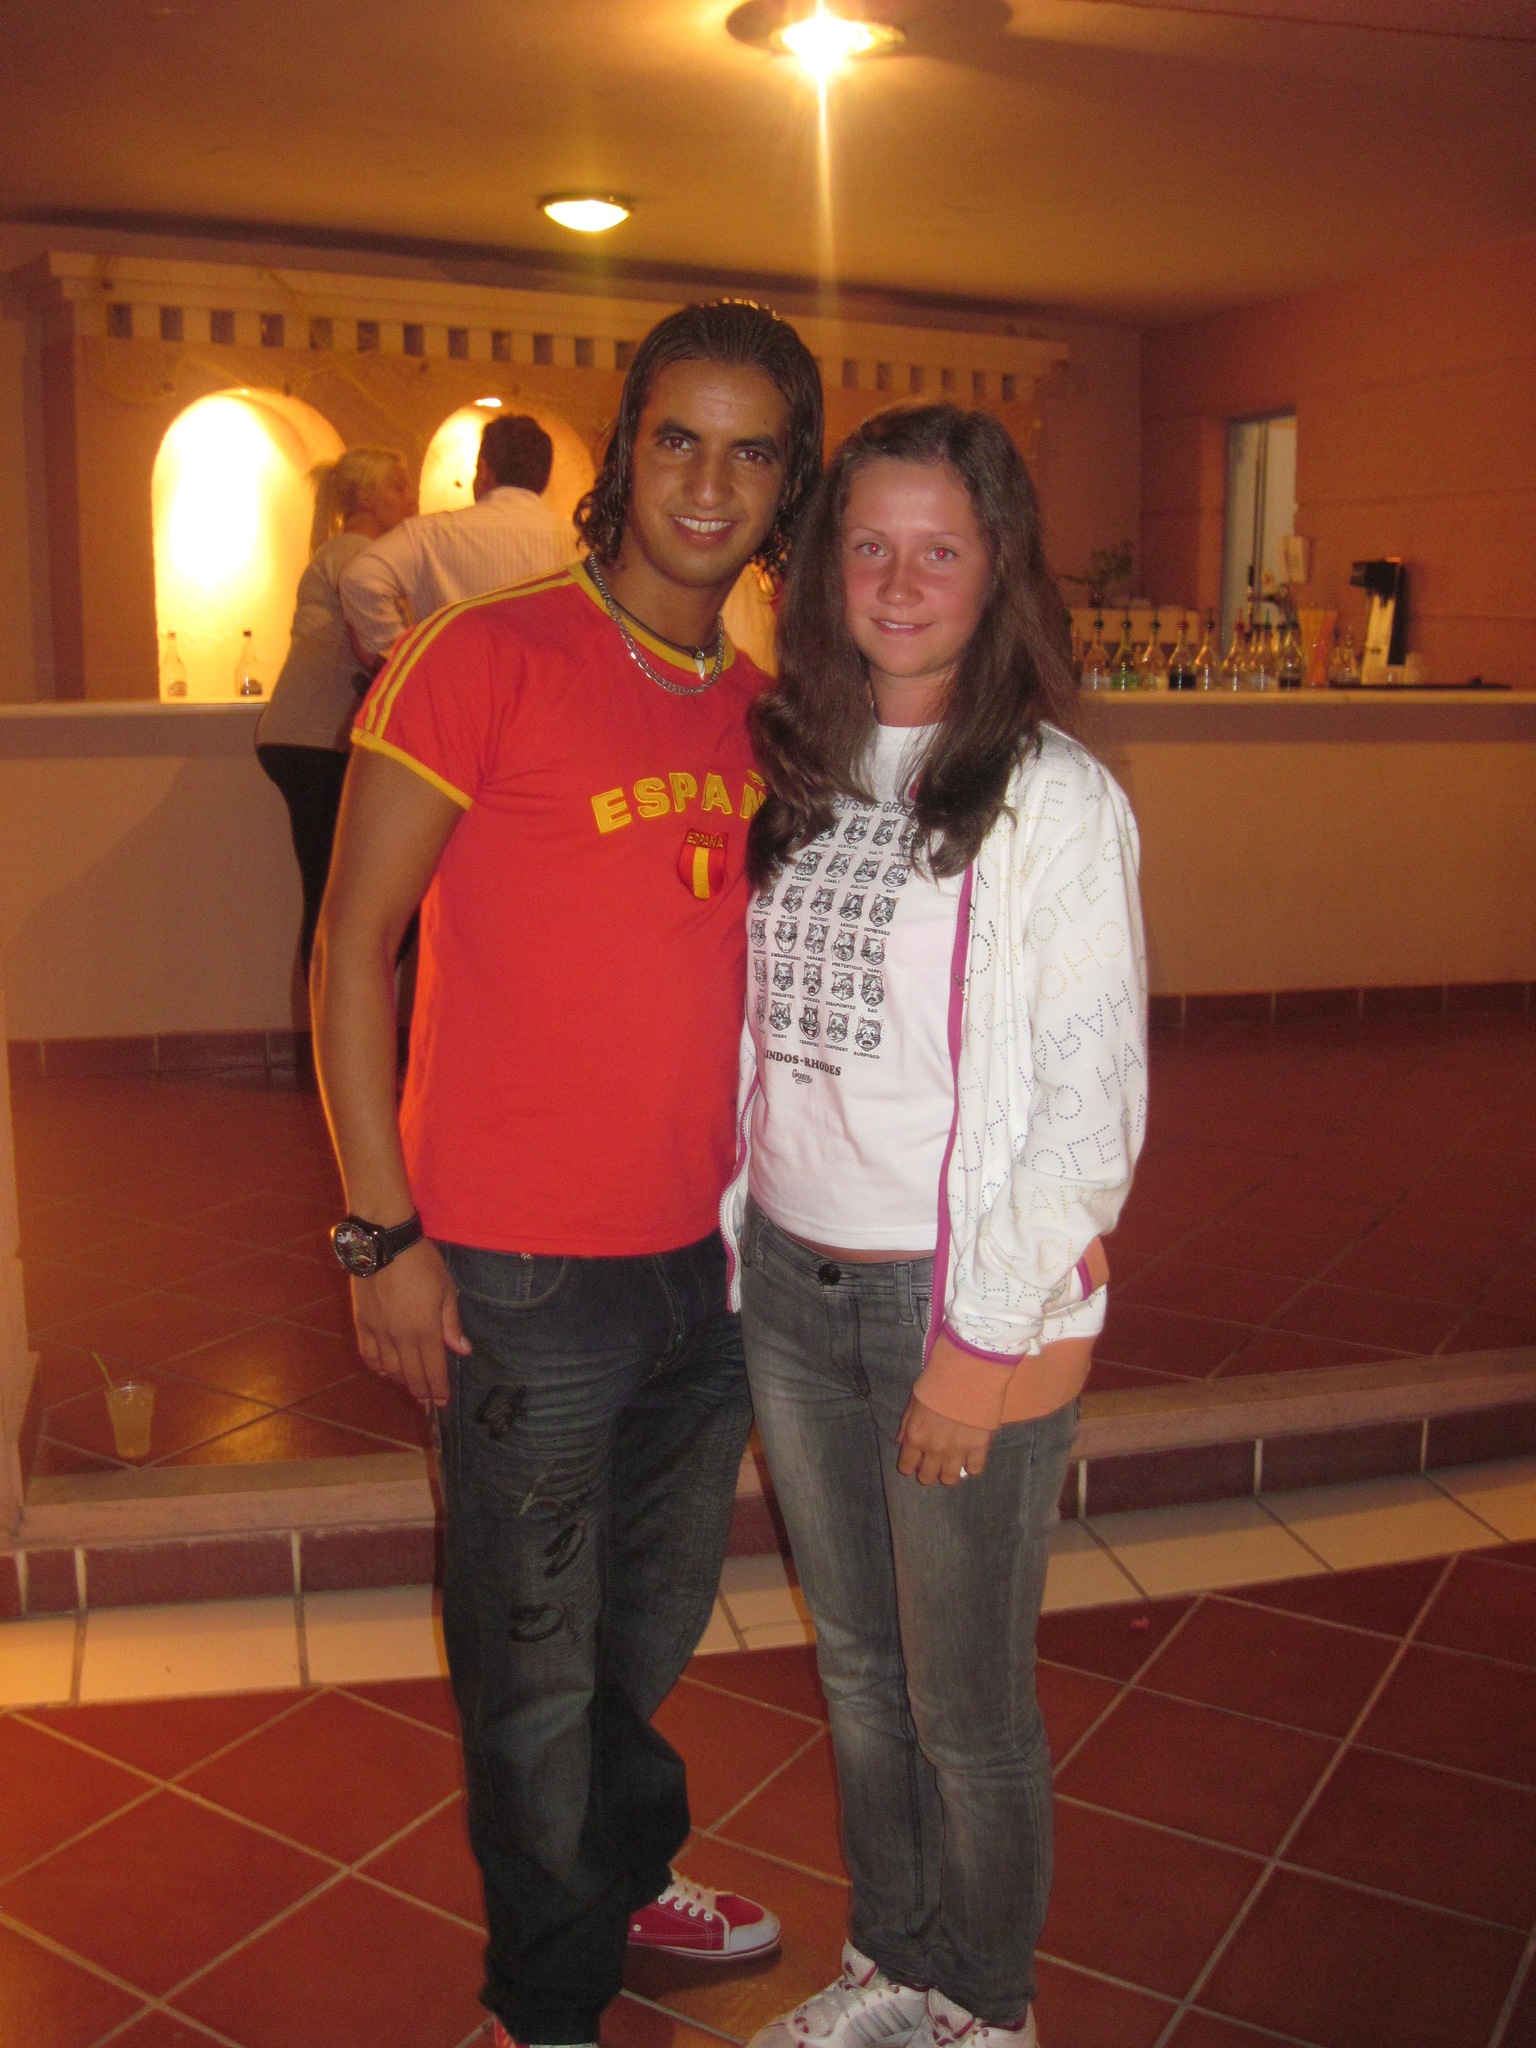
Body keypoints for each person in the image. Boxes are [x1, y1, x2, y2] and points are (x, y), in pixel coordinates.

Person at [309, 301, 825, 2048]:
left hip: (709, 1263)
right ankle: (548, 2002)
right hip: (519, 1273)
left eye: (751, 451)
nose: (709, 482)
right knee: (531, 1660)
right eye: (678, 438)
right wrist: (381, 1231)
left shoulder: (767, 713)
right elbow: (349, 949)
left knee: (639, 1629)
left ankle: (622, 1871)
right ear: (625, 452)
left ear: (787, 487)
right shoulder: (483, 656)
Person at [724, 405, 1147, 2048]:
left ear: (997, 573)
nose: (899, 583)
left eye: (939, 550)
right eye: (868, 547)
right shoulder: (797, 773)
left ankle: (986, 2002)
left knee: (963, 1703)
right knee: (855, 1671)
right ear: (825, 571)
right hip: (792, 1282)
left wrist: (978, 1353)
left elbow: (1088, 1110)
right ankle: (893, 1964)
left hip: (956, 1302)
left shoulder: (1053, 799)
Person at [255, 446, 415, 973]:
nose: (411, 497)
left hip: (305, 737)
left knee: (334, 894)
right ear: (366, 496)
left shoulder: (343, 551)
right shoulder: (358, 556)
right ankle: (334, 1018)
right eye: (397, 485)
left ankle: (331, 1016)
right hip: (318, 740)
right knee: (340, 897)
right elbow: (376, 649)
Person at [339, 411, 574, 664]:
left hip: (450, 682)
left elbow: (360, 578)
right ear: (543, 477)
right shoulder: (579, 544)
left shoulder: (429, 533)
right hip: (546, 685)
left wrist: (405, 656)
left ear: (483, 470)